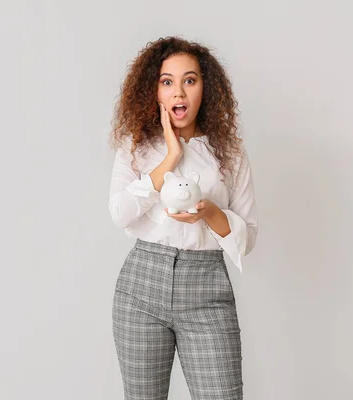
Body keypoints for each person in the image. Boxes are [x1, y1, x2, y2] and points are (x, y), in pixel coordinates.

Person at [108, 36, 259, 400]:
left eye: (190, 80)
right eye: (167, 81)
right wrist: (170, 158)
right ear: (154, 92)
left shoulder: (229, 154)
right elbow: (120, 213)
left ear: (205, 88)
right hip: (140, 286)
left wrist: (209, 212)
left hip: (207, 287)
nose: (179, 92)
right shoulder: (137, 147)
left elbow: (248, 236)